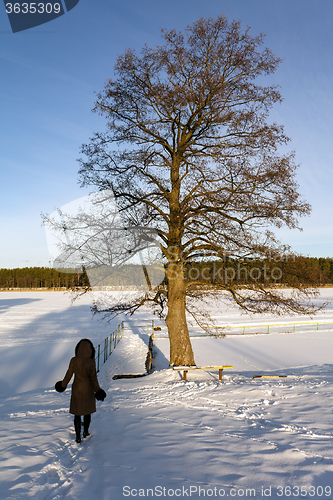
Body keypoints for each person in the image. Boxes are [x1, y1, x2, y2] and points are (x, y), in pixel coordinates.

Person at [55, 338, 106, 443]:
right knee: (87, 413)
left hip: (77, 389)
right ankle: (86, 432)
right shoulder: (91, 362)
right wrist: (98, 390)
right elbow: (93, 378)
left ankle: (77, 437)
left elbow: (68, 375)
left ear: (77, 349)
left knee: (77, 414)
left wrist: (62, 385)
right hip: (88, 389)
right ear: (90, 350)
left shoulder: (74, 360)